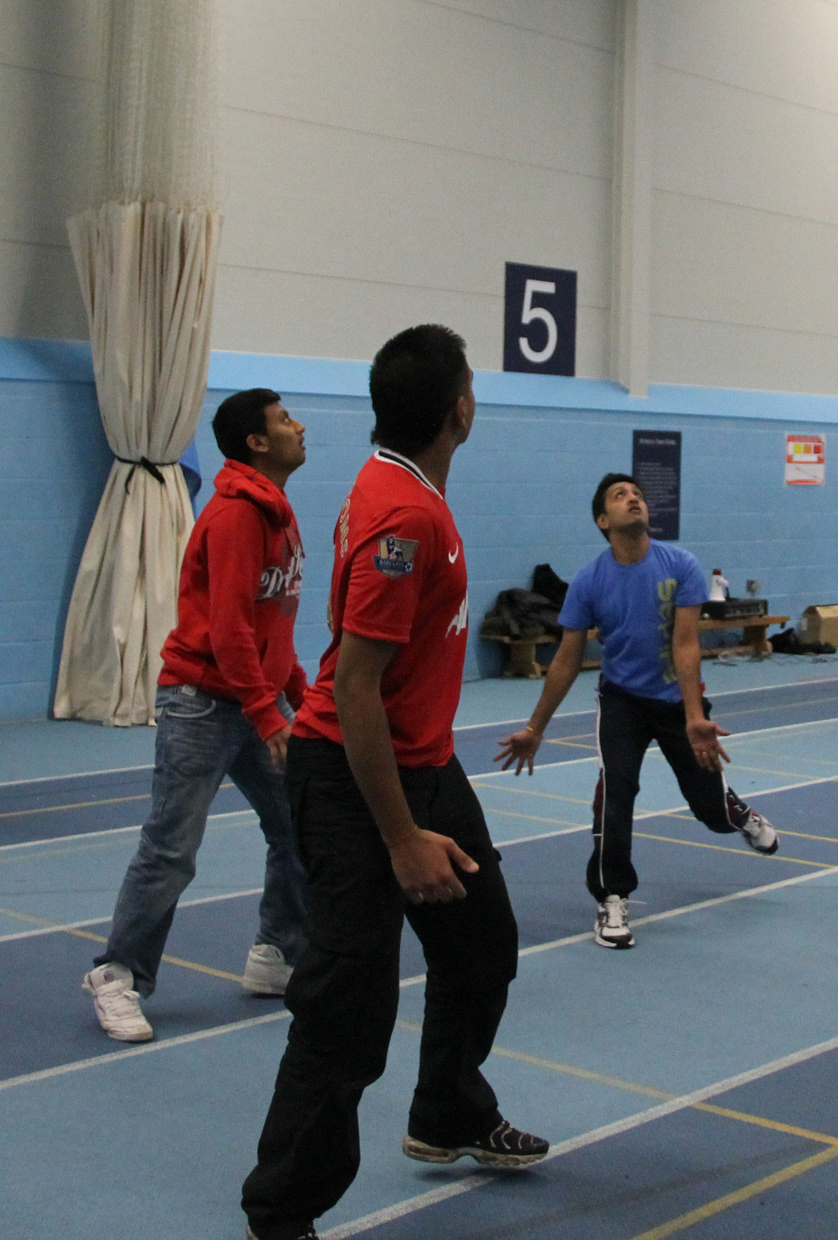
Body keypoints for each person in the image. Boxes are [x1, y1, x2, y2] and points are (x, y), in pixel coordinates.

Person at [242, 326, 548, 1240]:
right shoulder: (401, 518)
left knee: (480, 944)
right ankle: (281, 1213)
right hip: (354, 776)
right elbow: (357, 688)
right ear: (458, 409)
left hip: (422, 762)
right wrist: (400, 838)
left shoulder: (400, 486)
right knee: (346, 1010)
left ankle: (446, 1111)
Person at [83, 389, 310, 1043]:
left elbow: (274, 625)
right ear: (256, 443)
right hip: (202, 704)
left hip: (252, 699)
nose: (300, 426)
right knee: (171, 848)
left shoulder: (277, 510)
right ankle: (117, 975)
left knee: (296, 828)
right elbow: (231, 629)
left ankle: (275, 952)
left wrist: (299, 696)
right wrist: (270, 716)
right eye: (285, 420)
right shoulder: (238, 514)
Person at [496, 473, 778, 950]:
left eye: (638, 495)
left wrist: (693, 716)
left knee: (709, 811)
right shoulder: (588, 580)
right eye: (620, 496)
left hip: (676, 703)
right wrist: (534, 728)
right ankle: (611, 896)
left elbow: (685, 644)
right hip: (622, 701)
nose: (634, 500)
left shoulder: (680, 564)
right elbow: (566, 659)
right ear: (604, 521)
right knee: (615, 791)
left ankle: (736, 813)